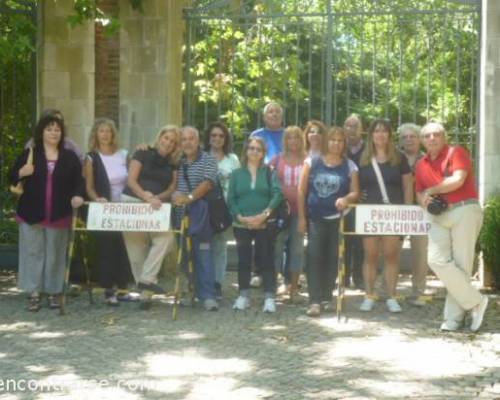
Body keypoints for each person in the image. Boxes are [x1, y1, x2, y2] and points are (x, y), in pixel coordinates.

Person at [415, 122, 488, 332]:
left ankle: (453, 319)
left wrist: (432, 190)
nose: (431, 138)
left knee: (461, 265)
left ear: (443, 137)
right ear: (422, 141)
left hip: (464, 209)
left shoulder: (456, 152)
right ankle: (475, 301)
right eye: (427, 136)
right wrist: (425, 200)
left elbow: (458, 179)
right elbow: (419, 192)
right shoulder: (421, 164)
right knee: (436, 260)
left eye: (436, 134)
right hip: (439, 215)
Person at [9, 113, 84, 311]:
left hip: (59, 213)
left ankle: (53, 293)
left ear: (62, 133)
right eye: (49, 129)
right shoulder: (30, 153)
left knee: (55, 255)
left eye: (57, 129)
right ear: (41, 132)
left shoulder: (69, 156)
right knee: (33, 253)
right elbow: (11, 176)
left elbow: (79, 182)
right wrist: (20, 173)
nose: (53, 133)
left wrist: (78, 195)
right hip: (31, 213)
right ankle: (34, 294)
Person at [298, 127, 360, 317]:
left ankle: (326, 296)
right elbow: (301, 191)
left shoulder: (350, 166)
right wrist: (302, 217)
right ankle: (314, 300)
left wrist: (346, 199)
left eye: (340, 140)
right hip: (316, 218)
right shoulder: (312, 162)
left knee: (334, 259)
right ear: (327, 141)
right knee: (314, 257)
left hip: (338, 220)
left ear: (344, 144)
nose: (336, 143)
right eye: (332, 140)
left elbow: (355, 192)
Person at [121, 125, 180, 310]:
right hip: (133, 200)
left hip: (156, 205)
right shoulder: (142, 152)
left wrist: (156, 198)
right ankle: (145, 295)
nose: (168, 142)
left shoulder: (173, 164)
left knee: (167, 238)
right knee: (136, 249)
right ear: (160, 136)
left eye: (172, 141)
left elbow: (171, 188)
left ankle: (146, 279)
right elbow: (131, 180)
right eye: (166, 138)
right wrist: (146, 196)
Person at [358, 119, 413, 313]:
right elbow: (355, 185)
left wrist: (407, 209)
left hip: (394, 213)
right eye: (376, 131)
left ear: (389, 135)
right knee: (370, 256)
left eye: (384, 131)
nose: (380, 135)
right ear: (371, 135)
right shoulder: (362, 159)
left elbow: (407, 185)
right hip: (369, 213)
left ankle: (391, 296)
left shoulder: (399, 158)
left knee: (391, 256)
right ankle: (369, 295)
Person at [227, 137, 283, 313]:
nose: (254, 151)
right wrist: (240, 217)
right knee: (243, 260)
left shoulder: (270, 172)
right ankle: (243, 295)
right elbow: (231, 198)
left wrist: (264, 215)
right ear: (246, 151)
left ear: (263, 153)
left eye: (258, 149)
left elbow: (277, 194)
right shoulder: (236, 174)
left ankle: (269, 297)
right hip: (241, 223)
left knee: (266, 259)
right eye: (251, 148)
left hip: (264, 223)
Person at [85, 118, 131, 306]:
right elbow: (89, 186)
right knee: (106, 250)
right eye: (101, 131)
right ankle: (108, 290)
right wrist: (97, 199)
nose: (105, 135)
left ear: (113, 134)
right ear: (96, 134)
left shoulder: (123, 155)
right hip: (104, 209)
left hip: (125, 209)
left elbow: (132, 181)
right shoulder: (91, 157)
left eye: (108, 131)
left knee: (124, 248)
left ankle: (123, 288)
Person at [173, 126, 219, 311]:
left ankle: (208, 296)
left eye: (191, 139)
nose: (188, 142)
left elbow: (208, 183)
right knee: (185, 257)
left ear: (198, 141)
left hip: (201, 218)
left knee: (204, 255)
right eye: (184, 139)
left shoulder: (208, 159)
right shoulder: (177, 161)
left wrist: (189, 198)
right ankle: (192, 292)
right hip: (179, 218)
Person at [270, 126, 306, 301]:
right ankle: (275, 286)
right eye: (290, 138)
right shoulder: (277, 160)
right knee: (276, 248)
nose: (293, 141)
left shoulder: (307, 160)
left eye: (297, 138)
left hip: (300, 211)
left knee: (296, 250)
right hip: (280, 212)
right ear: (285, 141)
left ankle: (293, 288)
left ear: (301, 140)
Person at [204, 121, 240, 299]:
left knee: (220, 246)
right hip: (205, 209)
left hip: (225, 210)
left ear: (226, 139)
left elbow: (239, 184)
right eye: (214, 135)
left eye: (221, 136)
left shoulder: (232, 159)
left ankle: (217, 283)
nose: (217, 139)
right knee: (204, 246)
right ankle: (203, 282)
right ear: (208, 138)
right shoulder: (201, 157)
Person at [399, 123, 429, 306]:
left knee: (420, 252)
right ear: (401, 141)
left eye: (413, 136)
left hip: (420, 211)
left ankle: (418, 291)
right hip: (398, 211)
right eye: (405, 137)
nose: (409, 139)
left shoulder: (427, 160)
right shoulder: (395, 159)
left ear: (419, 139)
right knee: (391, 250)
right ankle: (387, 290)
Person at [343, 114, 365, 289]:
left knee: (361, 241)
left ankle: (359, 277)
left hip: (364, 201)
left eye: (354, 126)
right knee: (344, 239)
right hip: (344, 200)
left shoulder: (368, 148)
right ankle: (343, 277)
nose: (351, 130)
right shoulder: (339, 148)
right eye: (348, 126)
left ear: (361, 129)